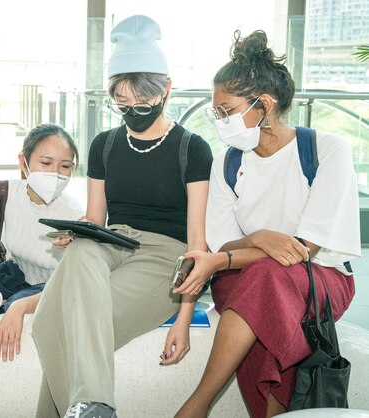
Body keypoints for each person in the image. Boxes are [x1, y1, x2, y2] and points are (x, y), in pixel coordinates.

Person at [31, 15, 214, 418]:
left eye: (144, 103)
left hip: (165, 256)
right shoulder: (105, 145)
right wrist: (77, 231)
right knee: (80, 251)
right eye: (123, 104)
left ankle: (90, 406)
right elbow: (96, 218)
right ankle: (95, 406)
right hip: (110, 242)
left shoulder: (193, 149)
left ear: (167, 90)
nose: (133, 112)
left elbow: (198, 244)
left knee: (50, 325)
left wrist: (184, 317)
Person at [175, 30, 360, 418]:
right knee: (261, 289)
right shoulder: (228, 162)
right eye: (216, 112)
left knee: (266, 279)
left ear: (263, 104)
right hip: (250, 281)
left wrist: (232, 256)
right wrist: (260, 237)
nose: (220, 120)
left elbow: (303, 249)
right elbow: (224, 241)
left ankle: (197, 404)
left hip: (320, 278)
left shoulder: (326, 150)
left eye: (226, 111)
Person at [0, 123, 84, 362]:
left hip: (49, 292)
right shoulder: (3, 192)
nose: (55, 173)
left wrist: (20, 306)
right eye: (46, 163)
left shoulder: (76, 215)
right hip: (12, 277)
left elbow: (74, 287)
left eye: (65, 166)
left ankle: (10, 304)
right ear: (23, 161)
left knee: (18, 303)